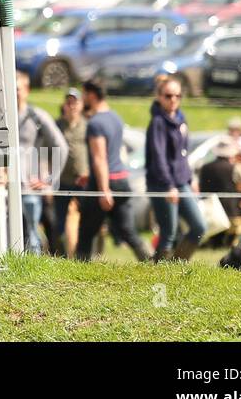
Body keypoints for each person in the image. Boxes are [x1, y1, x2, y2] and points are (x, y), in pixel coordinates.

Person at [75, 80, 151, 262]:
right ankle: (151, 263)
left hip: (104, 183)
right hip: (121, 179)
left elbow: (100, 158)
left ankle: (78, 271)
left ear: (92, 95)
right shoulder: (115, 117)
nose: (83, 98)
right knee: (128, 231)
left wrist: (103, 189)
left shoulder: (95, 123)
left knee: (85, 232)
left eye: (84, 94)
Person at [144, 76, 205, 260]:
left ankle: (176, 265)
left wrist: (190, 179)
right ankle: (159, 273)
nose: (173, 100)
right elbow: (159, 157)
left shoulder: (181, 119)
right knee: (168, 232)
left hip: (181, 182)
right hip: (163, 184)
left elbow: (182, 154)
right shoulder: (158, 123)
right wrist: (169, 186)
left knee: (199, 226)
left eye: (177, 96)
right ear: (159, 96)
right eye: (168, 96)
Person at [14, 71, 67, 254]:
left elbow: (61, 146)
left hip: (30, 188)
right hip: (6, 187)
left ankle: (32, 273)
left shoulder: (37, 116)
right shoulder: (1, 116)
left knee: (31, 234)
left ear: (27, 90)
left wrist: (51, 180)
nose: (14, 93)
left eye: (17, 88)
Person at [52, 87, 87, 257]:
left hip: (82, 181)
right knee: (58, 222)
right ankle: (61, 255)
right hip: (61, 181)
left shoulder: (87, 125)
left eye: (75, 102)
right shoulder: (56, 126)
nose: (72, 106)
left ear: (81, 105)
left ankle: (84, 255)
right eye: (69, 102)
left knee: (87, 221)